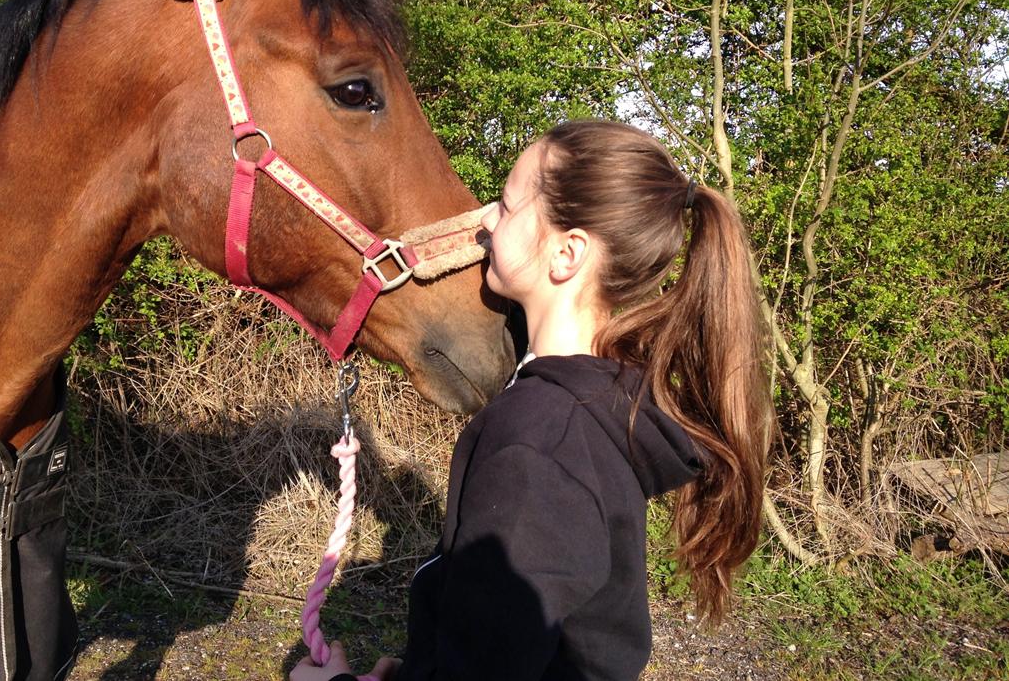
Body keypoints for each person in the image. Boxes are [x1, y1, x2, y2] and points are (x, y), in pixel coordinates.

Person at [292, 119, 773, 681]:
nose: (486, 222)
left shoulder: (543, 439)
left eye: (506, 203)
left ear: (567, 255)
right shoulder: (602, 400)